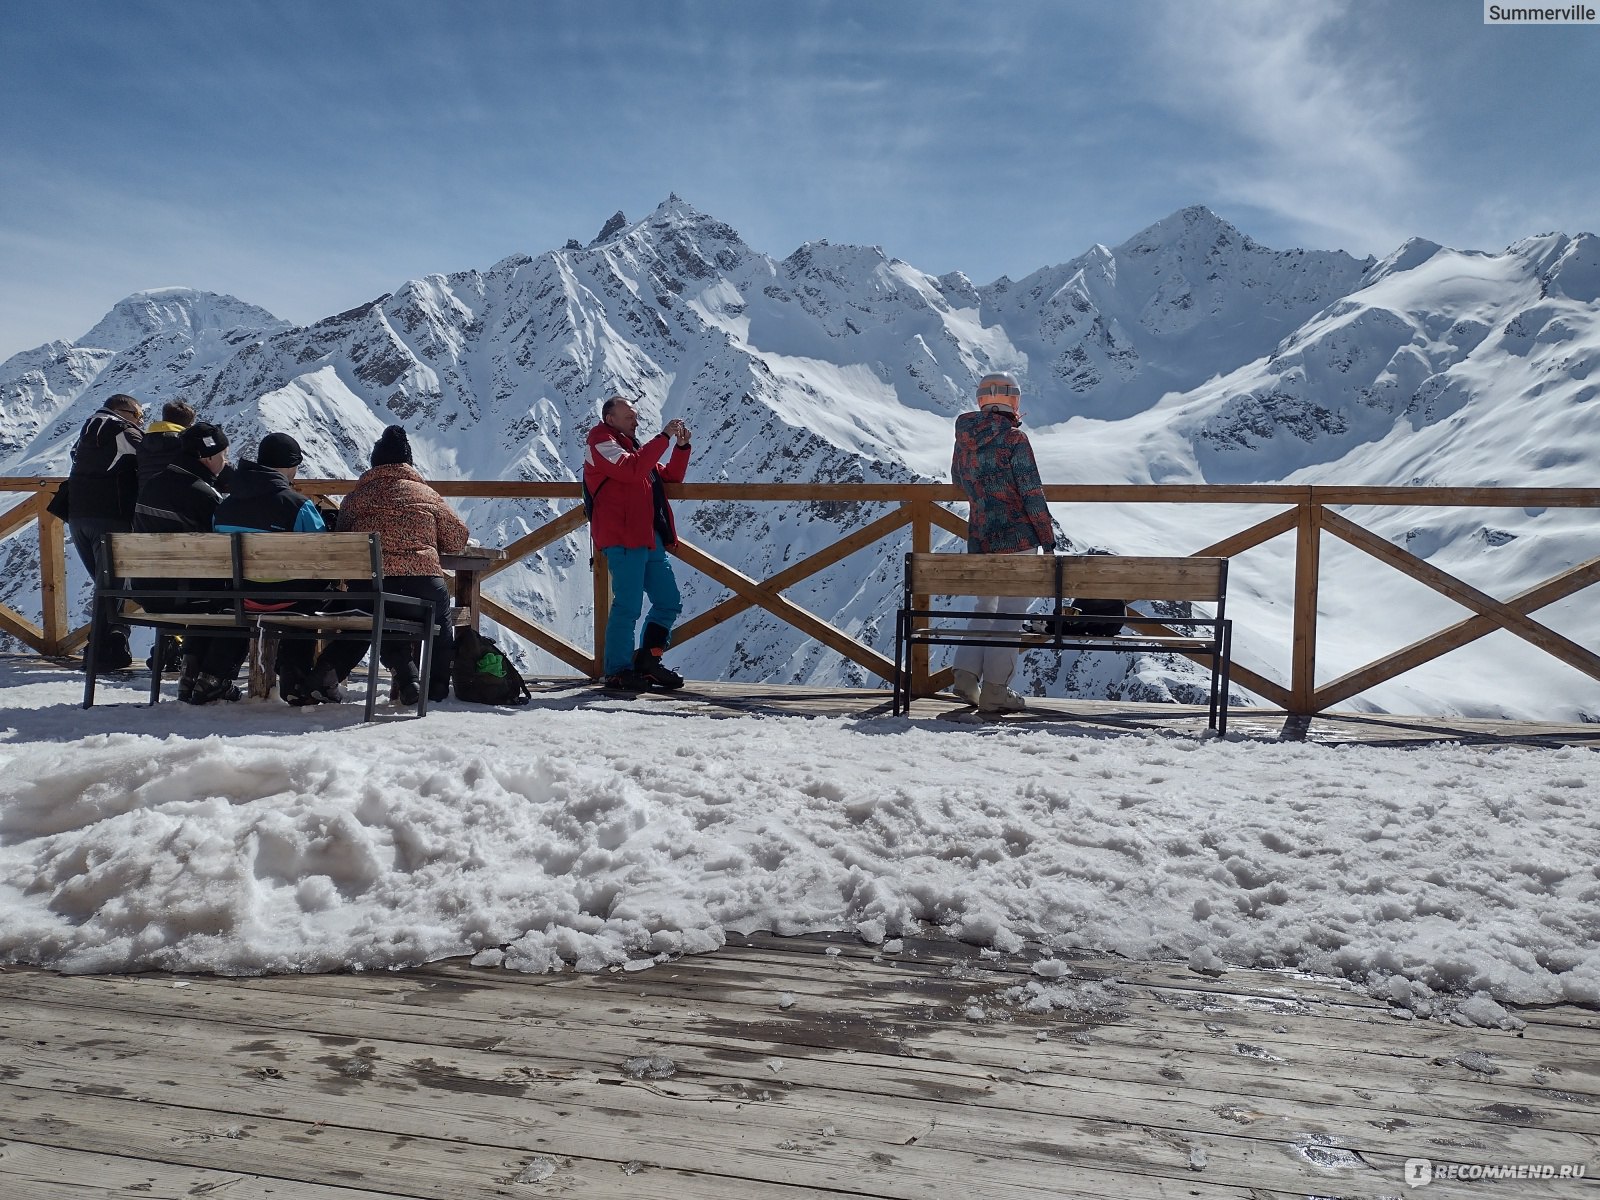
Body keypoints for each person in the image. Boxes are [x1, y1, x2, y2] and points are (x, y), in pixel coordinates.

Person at [213, 431, 351, 705]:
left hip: (242, 598)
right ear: (289, 466)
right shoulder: (299, 506)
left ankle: (289, 673)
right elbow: (323, 556)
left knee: (300, 592)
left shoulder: (224, 507)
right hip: (292, 600)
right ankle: (295, 673)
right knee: (317, 593)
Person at [335, 426, 469, 705]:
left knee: (380, 609)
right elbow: (457, 539)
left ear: (374, 463)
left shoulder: (355, 498)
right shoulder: (426, 494)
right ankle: (435, 687)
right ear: (408, 463)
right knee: (440, 619)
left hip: (370, 589)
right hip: (420, 587)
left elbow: (341, 538)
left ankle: (408, 679)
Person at [949, 371, 1054, 712]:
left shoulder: (963, 438)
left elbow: (957, 481)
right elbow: (1031, 492)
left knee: (985, 607)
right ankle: (995, 690)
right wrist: (1047, 539)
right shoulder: (1014, 440)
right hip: (1017, 538)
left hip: (980, 537)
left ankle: (965, 677)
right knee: (1010, 612)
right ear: (1014, 400)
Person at [583, 395, 691, 691]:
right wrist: (664, 436)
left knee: (668, 601)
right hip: (622, 536)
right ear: (610, 419)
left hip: (647, 536)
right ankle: (618, 670)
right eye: (630, 417)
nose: (636, 421)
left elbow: (670, 476)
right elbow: (631, 471)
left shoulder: (631, 448)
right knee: (628, 606)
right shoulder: (599, 441)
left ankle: (647, 662)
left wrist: (681, 447)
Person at [131, 421, 241, 703]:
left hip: (147, 591)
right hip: (186, 593)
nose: (226, 461)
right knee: (240, 601)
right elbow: (222, 550)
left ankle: (190, 675)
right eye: (224, 455)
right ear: (207, 458)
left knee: (214, 598)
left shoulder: (153, 485)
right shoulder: (203, 494)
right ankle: (213, 678)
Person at [67, 393, 145, 671]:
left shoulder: (87, 428)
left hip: (77, 516)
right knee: (112, 587)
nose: (141, 422)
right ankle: (100, 651)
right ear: (122, 410)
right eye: (138, 416)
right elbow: (150, 457)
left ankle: (110, 645)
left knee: (107, 587)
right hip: (111, 517)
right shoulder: (122, 430)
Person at [136, 400, 197, 490]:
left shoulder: (143, 441)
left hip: (145, 498)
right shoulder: (186, 443)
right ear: (190, 425)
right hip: (178, 496)